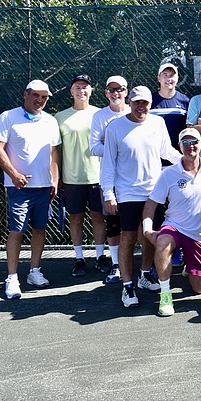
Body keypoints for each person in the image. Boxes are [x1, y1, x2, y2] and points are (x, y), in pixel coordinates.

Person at [100, 85, 181, 307]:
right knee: (127, 237)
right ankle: (127, 287)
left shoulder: (157, 123)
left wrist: (190, 163)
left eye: (144, 103)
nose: (140, 107)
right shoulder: (115, 127)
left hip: (154, 192)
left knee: (151, 236)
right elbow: (108, 164)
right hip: (127, 193)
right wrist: (108, 192)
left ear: (150, 104)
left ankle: (145, 275)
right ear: (130, 103)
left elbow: (167, 152)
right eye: (136, 102)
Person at [141, 128, 201, 316]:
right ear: (179, 146)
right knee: (162, 241)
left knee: (200, 287)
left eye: (194, 142)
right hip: (175, 227)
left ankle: (191, 265)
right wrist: (147, 230)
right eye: (185, 143)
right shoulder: (169, 174)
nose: (190, 146)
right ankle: (165, 294)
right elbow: (151, 204)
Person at [0, 79, 61, 299]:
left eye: (44, 97)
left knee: (40, 229)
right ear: (26, 94)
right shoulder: (8, 117)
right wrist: (14, 175)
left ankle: (34, 271)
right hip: (18, 188)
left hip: (44, 188)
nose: (40, 100)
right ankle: (12, 278)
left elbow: (53, 154)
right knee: (17, 231)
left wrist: (55, 180)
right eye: (36, 96)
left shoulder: (50, 121)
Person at [55, 74, 106, 277]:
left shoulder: (100, 114)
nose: (81, 91)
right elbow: (56, 151)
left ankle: (101, 256)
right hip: (71, 179)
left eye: (85, 87)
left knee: (98, 217)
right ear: (71, 91)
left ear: (91, 90)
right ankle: (79, 258)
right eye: (77, 87)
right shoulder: (60, 117)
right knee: (75, 218)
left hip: (98, 177)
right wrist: (57, 177)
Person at [89, 75, 129, 284]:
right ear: (106, 93)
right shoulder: (99, 116)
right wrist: (117, 146)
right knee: (113, 223)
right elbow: (94, 147)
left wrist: (112, 143)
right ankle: (115, 265)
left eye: (119, 89)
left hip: (132, 181)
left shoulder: (134, 112)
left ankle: (140, 266)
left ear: (126, 92)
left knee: (136, 225)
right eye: (111, 90)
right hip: (110, 179)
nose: (115, 93)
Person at [151, 62, 190, 152]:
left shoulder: (185, 101)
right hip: (155, 156)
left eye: (172, 75)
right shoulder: (149, 101)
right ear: (158, 78)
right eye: (165, 75)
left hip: (179, 156)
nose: (169, 79)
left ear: (177, 79)